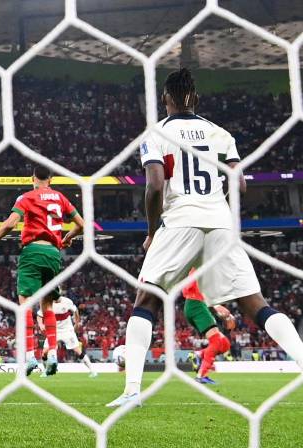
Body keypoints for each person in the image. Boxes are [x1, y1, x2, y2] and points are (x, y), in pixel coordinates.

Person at [106, 68, 303, 408]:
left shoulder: (155, 134)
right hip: (219, 220)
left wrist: (152, 232)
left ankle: (132, 391)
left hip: (179, 220)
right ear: (195, 99)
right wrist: (217, 208)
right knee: (256, 304)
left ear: (165, 99)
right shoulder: (220, 133)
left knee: (147, 302)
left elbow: (154, 186)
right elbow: (239, 184)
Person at [0, 165, 84, 376]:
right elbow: (82, 224)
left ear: (32, 178)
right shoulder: (60, 198)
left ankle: (30, 357)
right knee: (47, 304)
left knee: (25, 304)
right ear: (51, 179)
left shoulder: (27, 197)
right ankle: (53, 354)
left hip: (32, 251)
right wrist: (67, 237)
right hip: (53, 254)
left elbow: (11, 223)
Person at [37, 295, 97, 378]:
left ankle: (93, 371)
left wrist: (76, 323)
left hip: (67, 330)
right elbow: (39, 315)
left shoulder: (67, 301)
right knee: (44, 352)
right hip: (53, 330)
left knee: (78, 351)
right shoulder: (47, 303)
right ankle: (46, 371)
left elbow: (75, 311)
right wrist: (40, 324)